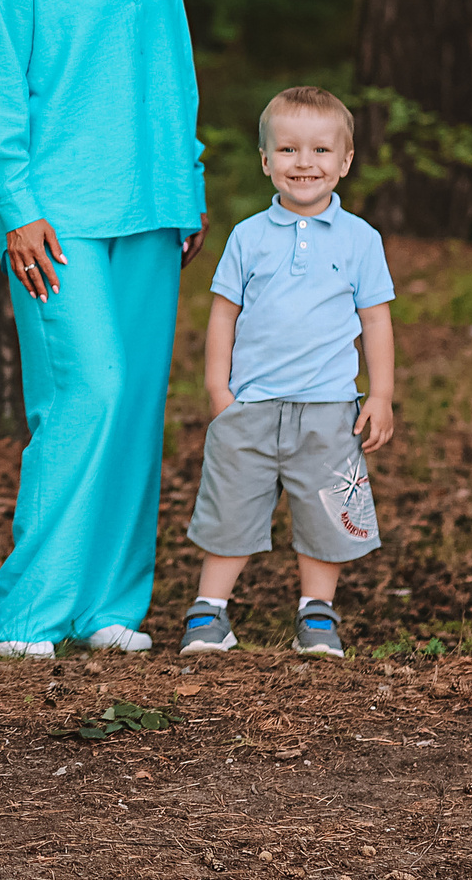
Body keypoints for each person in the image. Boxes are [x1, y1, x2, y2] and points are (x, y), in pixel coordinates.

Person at [0, 0, 208, 660]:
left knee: (138, 401)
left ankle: (109, 603)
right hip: (54, 206)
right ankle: (30, 612)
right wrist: (14, 201)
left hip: (152, 200)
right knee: (87, 392)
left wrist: (186, 182)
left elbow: (173, 62)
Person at [178, 87, 396, 659]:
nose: (305, 163)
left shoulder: (360, 240)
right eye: (289, 150)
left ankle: (317, 612)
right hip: (251, 405)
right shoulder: (249, 236)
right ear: (266, 160)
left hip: (330, 408)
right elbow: (224, 313)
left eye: (321, 150)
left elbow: (375, 321)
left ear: (345, 162)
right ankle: (210, 613)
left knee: (325, 510)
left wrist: (382, 394)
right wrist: (218, 389)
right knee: (231, 504)